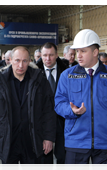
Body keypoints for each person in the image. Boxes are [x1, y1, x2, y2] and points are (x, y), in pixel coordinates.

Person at [55, 29, 107, 170]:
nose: (78, 55)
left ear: (95, 52)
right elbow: (59, 103)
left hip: (105, 142)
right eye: (77, 51)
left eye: (83, 51)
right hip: (76, 142)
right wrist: (71, 110)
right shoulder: (67, 76)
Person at [0, 46, 56, 170]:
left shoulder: (40, 82)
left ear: (30, 61)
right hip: (8, 142)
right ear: (10, 60)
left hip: (32, 142)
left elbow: (49, 112)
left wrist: (48, 138)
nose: (21, 65)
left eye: (24, 61)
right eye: (17, 60)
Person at [36, 42, 68, 170]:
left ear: (56, 55)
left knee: (63, 157)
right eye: (44, 55)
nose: (47, 59)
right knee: (44, 159)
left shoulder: (66, 72)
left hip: (62, 121)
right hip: (41, 122)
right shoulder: (33, 72)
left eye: (51, 55)